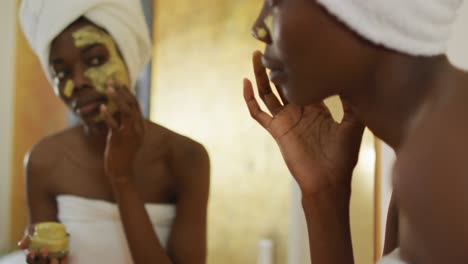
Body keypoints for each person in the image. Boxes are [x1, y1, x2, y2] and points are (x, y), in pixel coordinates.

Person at [244, 0, 468, 263]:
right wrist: (324, 195)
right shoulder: (429, 152)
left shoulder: (444, 167)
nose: (260, 28)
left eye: (277, 4)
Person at [0, 0, 209, 263]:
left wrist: (122, 178)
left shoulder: (186, 157)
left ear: (127, 56)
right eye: (61, 72)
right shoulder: (44, 159)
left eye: (96, 59)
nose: (77, 82)